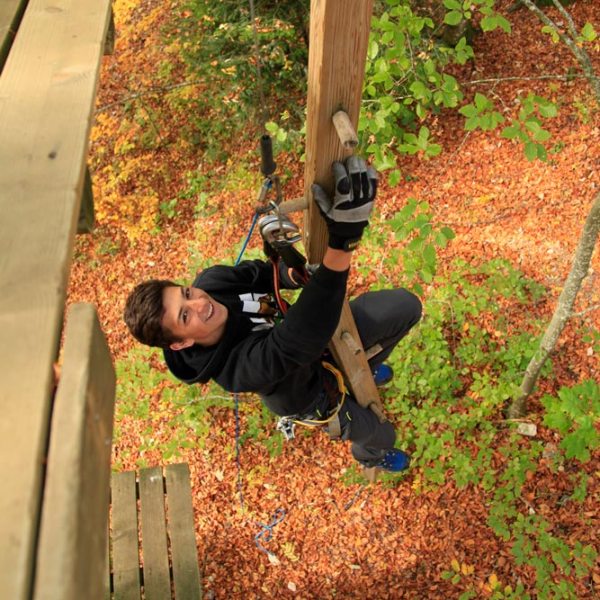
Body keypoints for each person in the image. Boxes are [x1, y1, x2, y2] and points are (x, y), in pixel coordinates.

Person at [124, 157, 422, 472]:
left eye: (186, 293)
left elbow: (264, 274)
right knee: (379, 431)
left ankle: (365, 368)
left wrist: (293, 273)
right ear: (181, 343)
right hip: (311, 393)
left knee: (404, 308)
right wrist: (342, 244)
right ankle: (370, 455)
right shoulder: (235, 371)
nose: (199, 303)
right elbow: (294, 342)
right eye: (185, 317)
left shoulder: (212, 284)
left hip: (320, 342)